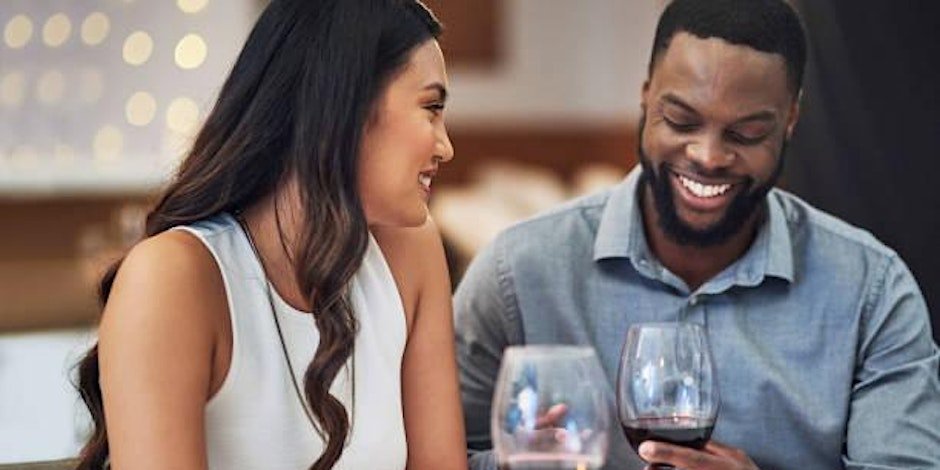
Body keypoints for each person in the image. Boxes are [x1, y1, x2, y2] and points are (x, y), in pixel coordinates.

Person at [453, 0, 940, 469]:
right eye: (682, 121)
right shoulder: (516, 274)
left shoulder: (872, 291)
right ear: (646, 96)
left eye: (746, 133)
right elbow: (430, 460)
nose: (708, 156)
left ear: (790, 120)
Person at [73, 1, 467, 469]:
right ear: (343, 105)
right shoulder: (174, 277)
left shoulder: (409, 248)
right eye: (431, 107)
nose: (446, 146)